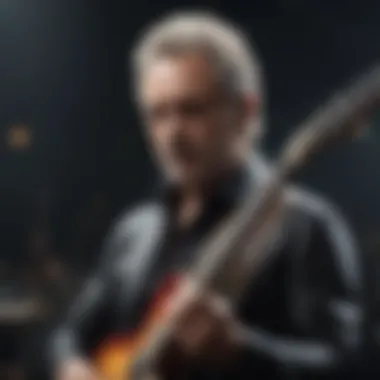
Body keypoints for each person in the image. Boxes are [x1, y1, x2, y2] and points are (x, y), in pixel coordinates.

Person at [51, 11, 365, 380]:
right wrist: (70, 367)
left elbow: (350, 367)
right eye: (158, 114)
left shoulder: (305, 226)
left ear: (246, 111)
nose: (172, 134)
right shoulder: (134, 231)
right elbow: (68, 333)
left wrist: (242, 352)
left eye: (192, 110)